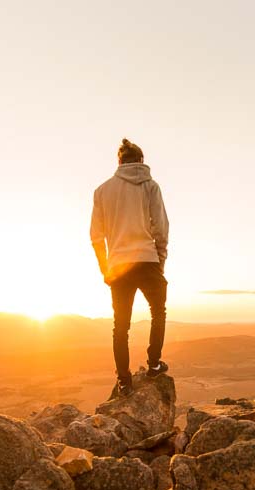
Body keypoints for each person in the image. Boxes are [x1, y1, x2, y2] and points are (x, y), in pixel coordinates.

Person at [90, 138, 170, 398]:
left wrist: (105, 267)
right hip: (148, 260)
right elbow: (160, 227)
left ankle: (124, 381)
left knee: (120, 325)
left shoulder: (102, 191)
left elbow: (95, 236)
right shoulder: (151, 187)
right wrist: (160, 259)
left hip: (119, 265)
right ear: (141, 161)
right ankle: (154, 364)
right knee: (158, 312)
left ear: (120, 162)